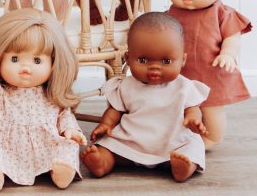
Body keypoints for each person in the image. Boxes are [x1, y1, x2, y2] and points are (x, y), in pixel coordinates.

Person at [151, 0, 257, 148]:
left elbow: (232, 37)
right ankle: (182, 135)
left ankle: (211, 138)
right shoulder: (171, 14)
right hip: (181, 72)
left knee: (211, 108)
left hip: (211, 72)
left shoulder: (223, 14)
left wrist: (227, 54)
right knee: (181, 106)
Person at [0, 8, 86, 192]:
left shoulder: (52, 95)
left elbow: (64, 115)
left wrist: (70, 130)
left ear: (53, 64)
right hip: (6, 142)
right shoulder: (3, 93)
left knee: (67, 145)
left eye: (37, 61)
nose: (25, 68)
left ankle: (62, 171)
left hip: (46, 143)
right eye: (14, 59)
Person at [82, 12, 210, 182]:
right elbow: (115, 110)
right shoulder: (125, 85)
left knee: (193, 146)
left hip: (173, 142)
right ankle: (103, 162)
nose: (154, 68)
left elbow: (193, 108)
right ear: (128, 58)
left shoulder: (184, 86)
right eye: (143, 60)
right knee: (108, 145)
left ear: (182, 60)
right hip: (131, 141)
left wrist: (193, 120)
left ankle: (183, 167)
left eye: (166, 61)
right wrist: (106, 124)